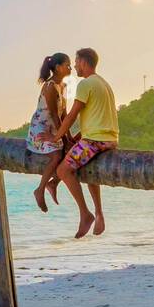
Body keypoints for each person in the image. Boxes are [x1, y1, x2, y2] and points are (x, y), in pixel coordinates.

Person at [51, 47, 118, 239]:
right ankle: (99, 214)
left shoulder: (85, 84)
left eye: (76, 61)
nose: (74, 66)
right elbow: (99, 119)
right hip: (109, 139)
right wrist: (76, 137)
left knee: (63, 170)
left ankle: (85, 214)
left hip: (95, 141)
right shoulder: (103, 83)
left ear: (83, 62)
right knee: (87, 170)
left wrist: (56, 138)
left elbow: (71, 116)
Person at [26, 52, 72, 212]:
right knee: (57, 155)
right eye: (67, 65)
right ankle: (40, 189)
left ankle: (54, 183)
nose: (70, 67)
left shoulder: (63, 86)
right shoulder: (50, 86)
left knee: (71, 151)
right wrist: (63, 138)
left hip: (54, 127)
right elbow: (53, 114)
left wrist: (69, 136)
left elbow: (63, 113)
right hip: (41, 128)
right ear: (58, 68)